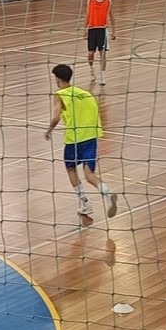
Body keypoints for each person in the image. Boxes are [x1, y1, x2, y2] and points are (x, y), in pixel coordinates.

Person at [44, 63, 117, 219]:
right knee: (89, 174)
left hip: (74, 138)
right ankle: (107, 192)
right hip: (91, 136)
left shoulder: (60, 94)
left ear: (57, 79)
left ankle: (85, 204)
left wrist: (49, 130)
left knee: (71, 169)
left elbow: (56, 117)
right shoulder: (85, 93)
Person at [84, 0, 118, 85]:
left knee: (102, 54)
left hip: (102, 30)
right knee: (90, 53)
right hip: (92, 29)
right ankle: (91, 70)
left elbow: (112, 17)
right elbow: (87, 15)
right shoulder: (90, 1)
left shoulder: (108, 1)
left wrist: (113, 31)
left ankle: (103, 76)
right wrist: (85, 30)